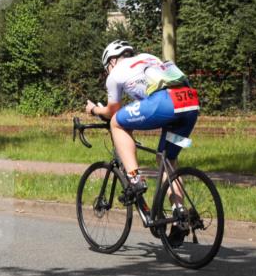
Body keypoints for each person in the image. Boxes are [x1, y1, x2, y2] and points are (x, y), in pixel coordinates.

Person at [85, 40, 200, 224]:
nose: (108, 70)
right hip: (190, 105)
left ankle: (135, 179)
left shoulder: (115, 74)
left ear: (112, 61)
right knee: (167, 160)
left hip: (165, 103)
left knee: (117, 123)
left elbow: (112, 110)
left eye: (107, 66)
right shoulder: (149, 57)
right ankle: (180, 216)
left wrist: (94, 110)